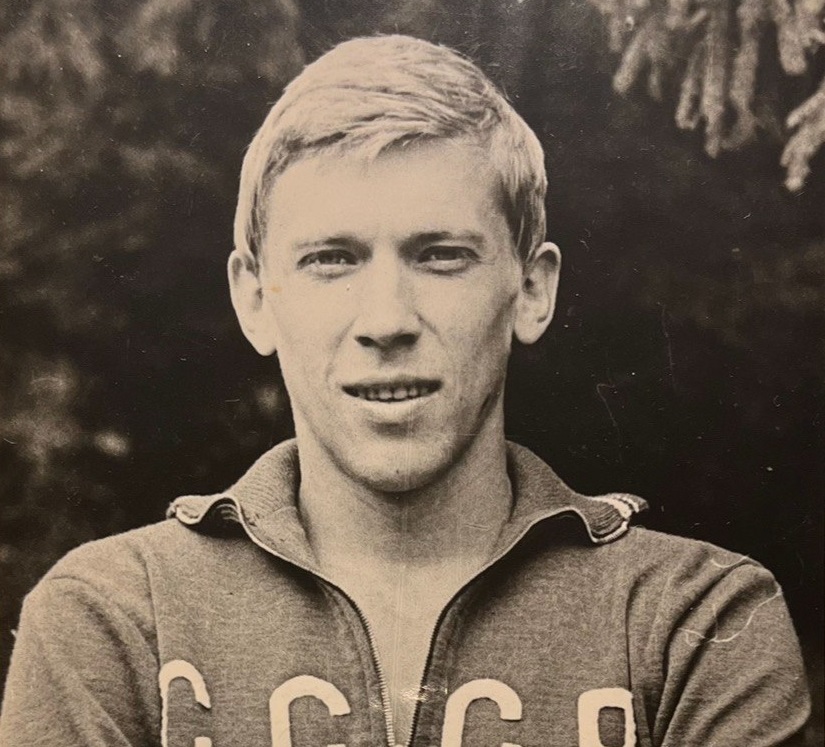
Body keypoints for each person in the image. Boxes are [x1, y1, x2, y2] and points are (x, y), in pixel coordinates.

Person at [0, 34, 810, 747]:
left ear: (531, 289)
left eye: (440, 256)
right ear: (254, 298)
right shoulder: (114, 616)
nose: (386, 320)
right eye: (331, 259)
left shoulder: (693, 619)